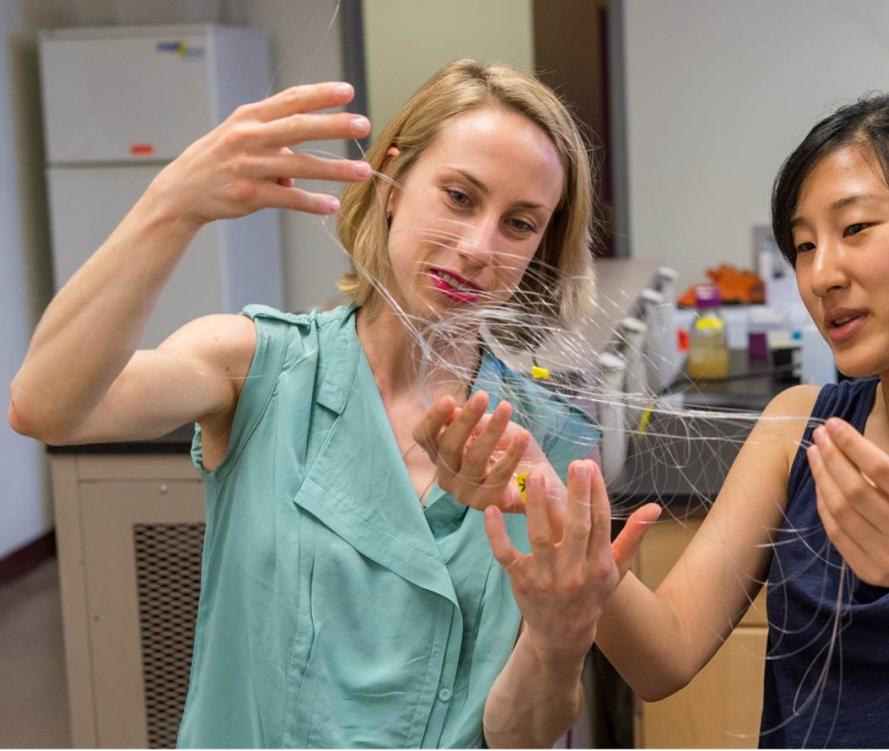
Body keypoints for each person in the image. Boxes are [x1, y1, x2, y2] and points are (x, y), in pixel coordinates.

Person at [426, 89, 889, 747]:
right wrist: (576, 544)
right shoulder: (797, 424)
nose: (821, 274)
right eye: (803, 245)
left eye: (856, 228)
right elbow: (666, 653)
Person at [9, 59, 655, 748]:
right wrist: (173, 204)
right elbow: (46, 407)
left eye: (520, 224)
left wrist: (559, 644)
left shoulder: (542, 441)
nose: (477, 248)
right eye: (460, 197)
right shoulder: (257, 367)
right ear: (392, 184)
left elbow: (518, 733)